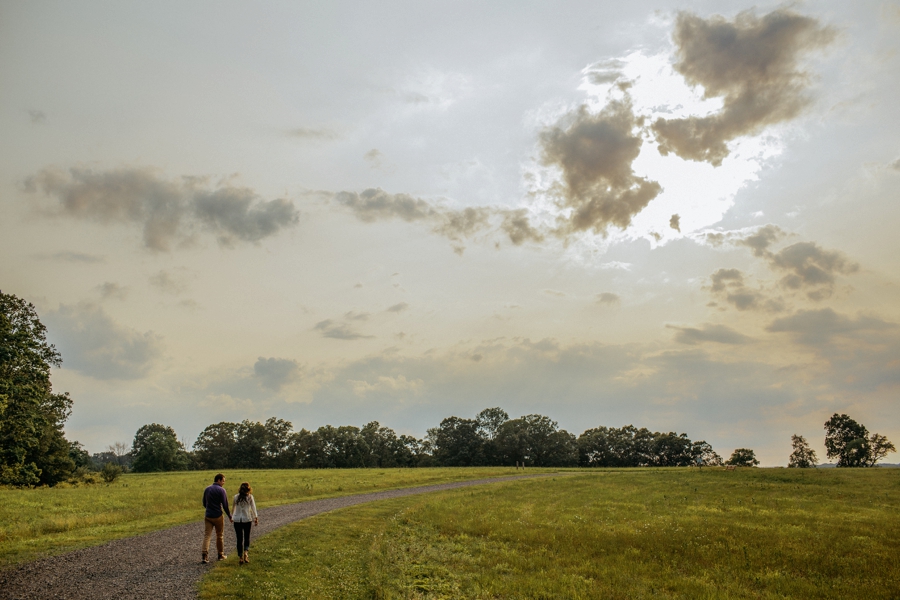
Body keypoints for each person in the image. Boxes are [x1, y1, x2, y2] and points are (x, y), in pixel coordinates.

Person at [201, 473, 232, 563]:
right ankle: (220, 554)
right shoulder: (221, 490)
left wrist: (209, 509)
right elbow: (225, 505)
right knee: (219, 535)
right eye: (223, 481)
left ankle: (204, 555)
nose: (223, 483)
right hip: (218, 515)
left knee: (207, 535)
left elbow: (204, 503)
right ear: (218, 480)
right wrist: (229, 515)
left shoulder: (207, 489)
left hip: (208, 515)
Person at [232, 481, 259, 564]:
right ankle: (246, 553)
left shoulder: (236, 497)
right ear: (249, 489)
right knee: (246, 537)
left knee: (239, 538)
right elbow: (253, 508)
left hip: (237, 520)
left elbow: (233, 508)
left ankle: (240, 557)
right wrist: (256, 518)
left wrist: (232, 517)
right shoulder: (250, 497)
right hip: (247, 519)